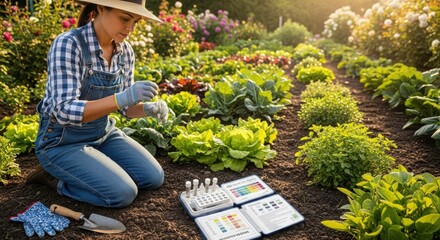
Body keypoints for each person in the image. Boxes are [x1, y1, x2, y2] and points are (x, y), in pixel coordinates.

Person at [26, 0, 168, 208]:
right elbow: (63, 111)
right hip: (62, 141)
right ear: (101, 9)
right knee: (122, 193)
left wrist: (147, 109)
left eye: (135, 22)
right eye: (125, 18)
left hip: (103, 134)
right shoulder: (69, 44)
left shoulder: (125, 51)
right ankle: (54, 178)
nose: (130, 28)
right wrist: (122, 97)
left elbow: (126, 109)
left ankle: (94, 167)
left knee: (153, 177)